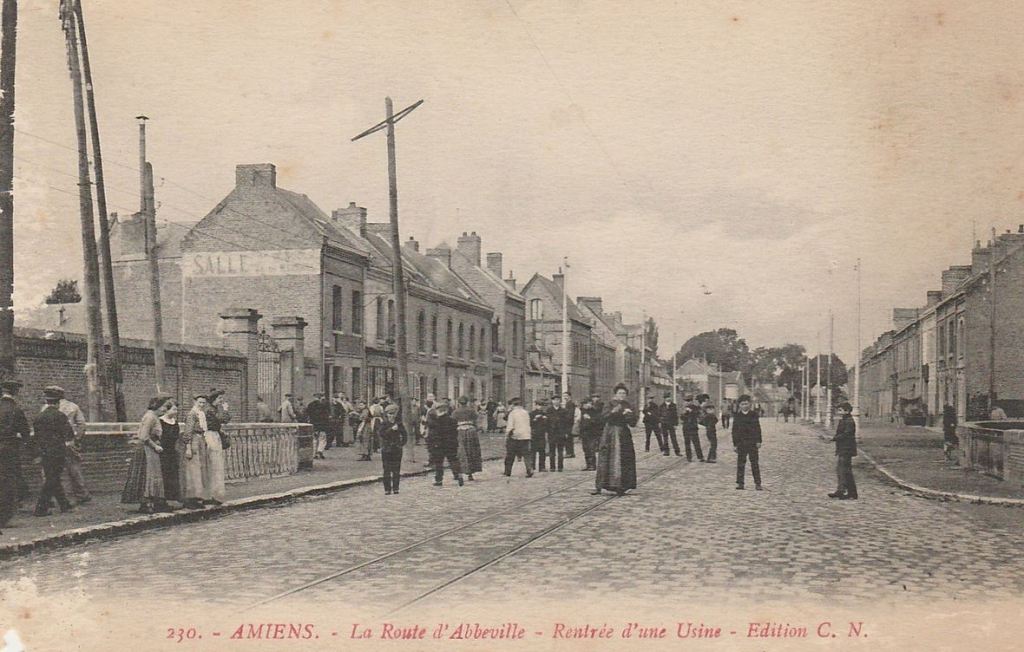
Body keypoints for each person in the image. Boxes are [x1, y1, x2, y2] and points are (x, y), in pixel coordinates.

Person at [122, 396, 171, 514]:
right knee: (148, 475)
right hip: (147, 450)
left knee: (153, 475)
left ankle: (153, 502)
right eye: (164, 406)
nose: (165, 409)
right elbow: (143, 436)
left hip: (151, 450)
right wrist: (155, 446)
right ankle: (147, 503)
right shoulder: (150, 417)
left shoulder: (154, 416)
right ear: (156, 405)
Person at [31, 386, 75, 516]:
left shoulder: (39, 417)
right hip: (57, 452)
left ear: (47, 401)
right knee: (52, 478)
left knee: (52, 477)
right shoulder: (60, 416)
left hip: (44, 452)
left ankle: (64, 504)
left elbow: (36, 438)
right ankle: (40, 509)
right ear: (58, 402)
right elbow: (69, 434)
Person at [593, 383, 638, 496]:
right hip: (610, 433)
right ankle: (600, 485)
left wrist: (629, 415)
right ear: (615, 394)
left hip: (623, 434)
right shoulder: (609, 404)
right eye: (620, 393)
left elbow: (633, 423)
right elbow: (604, 417)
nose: (622, 395)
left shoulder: (628, 405)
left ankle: (622, 486)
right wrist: (615, 411)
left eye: (624, 393)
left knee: (624, 458)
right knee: (606, 457)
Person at [0, 379, 30, 531]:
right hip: (9, 449)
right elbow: (25, 432)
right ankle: (4, 518)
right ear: (15, 392)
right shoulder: (15, 409)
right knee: (8, 481)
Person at [56, 392, 90, 504]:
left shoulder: (46, 407)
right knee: (74, 468)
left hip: (55, 442)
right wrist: (77, 438)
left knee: (56, 470)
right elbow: (81, 424)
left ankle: (62, 496)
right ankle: (82, 494)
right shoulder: (73, 406)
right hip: (69, 441)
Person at [179, 394, 208, 509]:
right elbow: (188, 432)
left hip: (200, 440)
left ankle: (197, 496)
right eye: (199, 402)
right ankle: (190, 498)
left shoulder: (201, 414)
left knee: (199, 469)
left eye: (203, 403)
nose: (201, 405)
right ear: (195, 402)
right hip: (194, 441)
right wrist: (188, 447)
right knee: (192, 470)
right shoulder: (192, 414)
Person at [428, 401, 463, 486]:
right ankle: (458, 475)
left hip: (439, 445)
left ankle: (439, 480)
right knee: (453, 460)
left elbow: (434, 434)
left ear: (438, 410)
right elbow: (455, 432)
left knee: (439, 462)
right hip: (451, 444)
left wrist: (433, 444)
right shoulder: (453, 420)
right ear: (446, 410)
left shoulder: (436, 421)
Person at [732, 395, 763, 490]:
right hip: (741, 443)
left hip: (752, 443)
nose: (744, 406)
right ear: (739, 405)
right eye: (742, 404)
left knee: (754, 463)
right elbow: (734, 431)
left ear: (750, 404)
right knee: (741, 463)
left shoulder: (753, 415)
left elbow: (758, 428)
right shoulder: (737, 416)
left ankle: (758, 483)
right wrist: (735, 444)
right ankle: (740, 483)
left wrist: (759, 441)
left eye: (746, 403)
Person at [829, 401, 858, 500]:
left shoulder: (849, 421)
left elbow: (846, 434)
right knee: (845, 471)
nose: (838, 411)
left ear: (847, 411)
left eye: (840, 410)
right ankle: (851, 492)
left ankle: (842, 491)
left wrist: (834, 438)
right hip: (843, 448)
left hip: (847, 449)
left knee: (842, 470)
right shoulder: (845, 420)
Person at [380, 403, 408, 495]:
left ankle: (396, 488)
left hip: (396, 449)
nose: (391, 416)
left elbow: (405, 435)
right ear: (386, 414)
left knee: (396, 469)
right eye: (390, 414)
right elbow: (382, 434)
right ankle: (387, 489)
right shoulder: (383, 423)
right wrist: (391, 429)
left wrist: (401, 444)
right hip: (386, 449)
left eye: (393, 414)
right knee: (387, 469)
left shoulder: (399, 424)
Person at [453, 396, 483, 481]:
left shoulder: (456, 412)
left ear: (459, 403)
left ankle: (460, 472)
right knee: (472, 451)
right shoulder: (471, 410)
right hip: (471, 431)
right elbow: (476, 421)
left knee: (461, 451)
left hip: (460, 432)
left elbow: (452, 422)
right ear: (467, 402)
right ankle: (470, 474)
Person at [503, 397, 534, 477]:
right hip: (526, 436)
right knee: (526, 454)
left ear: (513, 405)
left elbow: (510, 426)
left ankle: (507, 471)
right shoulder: (526, 412)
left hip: (515, 436)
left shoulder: (512, 413)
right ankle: (529, 469)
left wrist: (506, 435)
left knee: (510, 455)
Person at [159, 400, 181, 505]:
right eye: (174, 409)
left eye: (177, 409)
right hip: (163, 451)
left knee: (173, 472)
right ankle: (164, 497)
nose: (176, 412)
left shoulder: (175, 422)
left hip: (172, 450)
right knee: (164, 472)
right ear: (167, 410)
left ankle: (173, 497)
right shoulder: (161, 421)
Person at [580, 393, 604, 471]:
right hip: (584, 433)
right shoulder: (583, 411)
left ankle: (592, 465)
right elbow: (582, 422)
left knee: (591, 449)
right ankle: (588, 464)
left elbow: (598, 421)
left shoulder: (594, 411)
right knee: (585, 449)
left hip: (592, 433)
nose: (586, 405)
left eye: (587, 403)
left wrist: (590, 419)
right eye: (584, 404)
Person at [547, 395, 570, 472]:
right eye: (555, 400)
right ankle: (552, 467)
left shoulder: (564, 411)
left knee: (560, 451)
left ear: (560, 401)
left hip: (561, 433)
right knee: (552, 451)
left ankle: (560, 467)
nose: (556, 401)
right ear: (552, 401)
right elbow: (547, 422)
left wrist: (566, 432)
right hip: (552, 433)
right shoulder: (549, 410)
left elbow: (567, 423)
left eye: (558, 400)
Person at [306, 392, 331, 460]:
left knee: (314, 439)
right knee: (322, 439)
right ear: (320, 398)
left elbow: (307, 414)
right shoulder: (323, 405)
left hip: (314, 424)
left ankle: (314, 453)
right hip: (322, 425)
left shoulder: (310, 405)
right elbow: (327, 415)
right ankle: (320, 451)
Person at [680, 397, 705, 462]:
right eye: (686, 401)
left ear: (691, 401)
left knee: (696, 442)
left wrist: (692, 411)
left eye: (689, 401)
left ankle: (700, 457)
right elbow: (681, 418)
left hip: (693, 427)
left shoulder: (695, 408)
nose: (687, 402)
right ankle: (689, 457)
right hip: (686, 427)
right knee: (687, 443)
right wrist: (685, 413)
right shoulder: (683, 408)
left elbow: (698, 414)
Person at [529, 399, 550, 472]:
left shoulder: (544, 414)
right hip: (534, 434)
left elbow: (547, 425)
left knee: (542, 451)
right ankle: (532, 466)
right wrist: (535, 419)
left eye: (541, 405)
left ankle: (542, 467)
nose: (540, 407)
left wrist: (546, 419)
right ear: (535, 405)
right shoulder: (531, 414)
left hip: (541, 434)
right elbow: (529, 424)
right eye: (538, 405)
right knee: (533, 451)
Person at [660, 392, 681, 456]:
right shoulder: (661, 406)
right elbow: (659, 415)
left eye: (669, 397)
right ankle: (666, 451)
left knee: (673, 438)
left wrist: (676, 424)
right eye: (666, 397)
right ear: (664, 398)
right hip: (664, 423)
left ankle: (677, 451)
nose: (668, 398)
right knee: (665, 438)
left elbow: (675, 415)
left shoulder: (673, 405)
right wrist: (660, 422)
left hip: (671, 423)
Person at [562, 392, 577, 458]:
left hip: (568, 423)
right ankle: (570, 452)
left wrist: (564, 418)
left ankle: (569, 453)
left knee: (568, 438)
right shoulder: (568, 404)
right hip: (568, 423)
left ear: (569, 396)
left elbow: (570, 414)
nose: (565, 397)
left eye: (566, 396)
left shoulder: (570, 404)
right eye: (564, 396)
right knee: (568, 438)